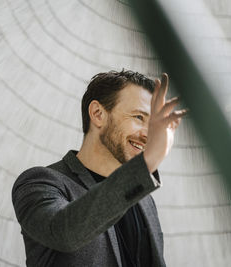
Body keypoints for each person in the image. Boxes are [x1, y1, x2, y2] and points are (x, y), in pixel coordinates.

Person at [12, 70, 187, 267]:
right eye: (139, 117)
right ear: (97, 114)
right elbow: (64, 233)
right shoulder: (40, 183)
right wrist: (147, 163)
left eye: (153, 125)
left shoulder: (145, 199)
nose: (149, 135)